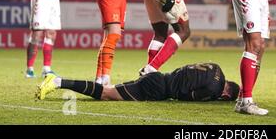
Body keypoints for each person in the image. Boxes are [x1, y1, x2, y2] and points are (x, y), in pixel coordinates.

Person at [36, 62, 240, 103]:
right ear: (226, 94)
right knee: (106, 94)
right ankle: (57, 81)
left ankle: (58, 81)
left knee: (108, 91)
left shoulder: (216, 67)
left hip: (159, 77)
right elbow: (187, 97)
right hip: (157, 89)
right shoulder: (214, 89)